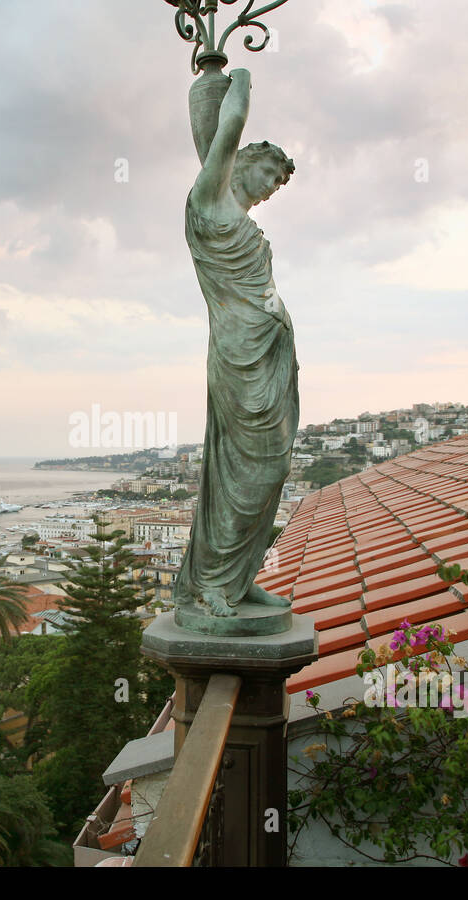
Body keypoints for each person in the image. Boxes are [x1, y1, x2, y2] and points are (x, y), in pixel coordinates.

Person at [175, 67, 299, 618]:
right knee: (242, 470)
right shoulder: (207, 204)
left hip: (272, 353)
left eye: (279, 182)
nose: (272, 184)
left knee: (271, 468)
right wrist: (237, 71)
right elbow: (227, 124)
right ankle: (213, 585)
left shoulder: (238, 215)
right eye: (269, 169)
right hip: (237, 357)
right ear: (241, 160)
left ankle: (240, 576)